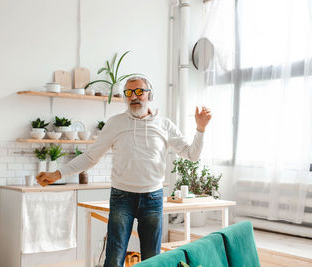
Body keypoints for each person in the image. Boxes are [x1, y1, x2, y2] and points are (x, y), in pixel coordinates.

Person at [36, 74, 212, 267]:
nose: (133, 96)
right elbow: (90, 157)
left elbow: (192, 154)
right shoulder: (115, 123)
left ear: (149, 95)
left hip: (153, 198)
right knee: (114, 258)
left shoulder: (164, 125)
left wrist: (200, 129)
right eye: (128, 92)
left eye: (139, 91)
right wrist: (57, 174)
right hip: (122, 198)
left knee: (152, 260)